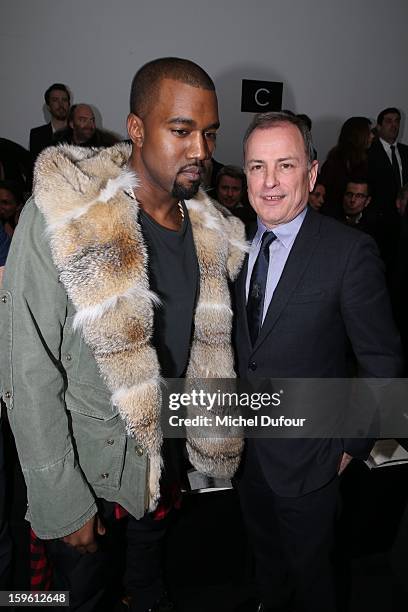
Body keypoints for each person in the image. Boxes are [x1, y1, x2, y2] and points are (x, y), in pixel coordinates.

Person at [0, 57, 246, 611]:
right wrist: (63, 500)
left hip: (164, 476)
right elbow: (28, 371)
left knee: (151, 589)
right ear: (136, 129)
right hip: (91, 478)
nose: (201, 152)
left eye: (209, 134)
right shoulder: (64, 217)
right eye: (181, 131)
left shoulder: (212, 232)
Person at [233, 112, 402, 612]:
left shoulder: (350, 253)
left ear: (310, 174)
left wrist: (349, 445)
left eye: (284, 165)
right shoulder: (232, 246)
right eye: (256, 167)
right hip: (247, 457)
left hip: (312, 461)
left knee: (315, 581)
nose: (268, 182)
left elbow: (383, 362)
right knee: (267, 569)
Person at [368, 107, 408, 269]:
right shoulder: (370, 152)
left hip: (403, 220)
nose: (394, 125)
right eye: (389, 121)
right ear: (379, 126)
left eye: (397, 121)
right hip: (380, 221)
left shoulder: (405, 152)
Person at [320, 116, 373, 218]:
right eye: (369, 132)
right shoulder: (335, 163)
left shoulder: (367, 161)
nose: (372, 136)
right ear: (359, 135)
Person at [29, 83, 71, 159]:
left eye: (64, 100)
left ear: (69, 104)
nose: (61, 104)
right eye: (55, 100)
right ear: (48, 106)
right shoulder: (37, 135)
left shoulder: (78, 133)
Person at [53, 103, 119, 148]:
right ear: (72, 124)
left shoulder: (107, 145)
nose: (89, 125)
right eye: (83, 120)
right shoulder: (58, 145)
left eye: (92, 120)